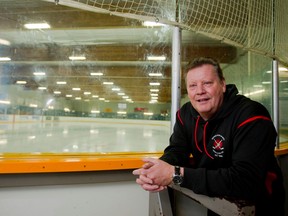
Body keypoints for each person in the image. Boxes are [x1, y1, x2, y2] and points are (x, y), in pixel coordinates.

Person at [133, 57, 285, 215]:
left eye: (207, 83)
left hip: (258, 206)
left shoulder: (251, 116)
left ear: (223, 85)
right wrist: (158, 169)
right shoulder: (185, 114)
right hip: (216, 200)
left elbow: (245, 180)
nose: (199, 91)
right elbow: (178, 151)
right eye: (193, 85)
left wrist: (174, 174)